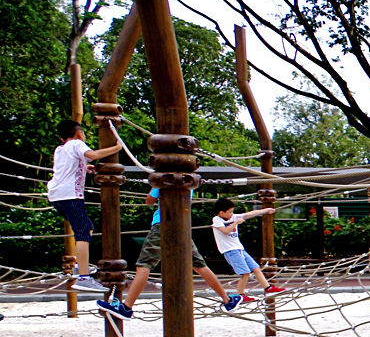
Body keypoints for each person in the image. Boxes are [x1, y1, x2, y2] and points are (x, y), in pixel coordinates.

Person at [96, 186, 240, 318]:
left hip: (162, 224)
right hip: (181, 225)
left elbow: (149, 201)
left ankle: (126, 307)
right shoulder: (188, 179)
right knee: (199, 265)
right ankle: (227, 300)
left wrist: (154, 186)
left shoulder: (162, 178)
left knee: (144, 265)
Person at [47, 119, 121, 293]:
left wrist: (84, 167)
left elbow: (67, 167)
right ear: (79, 133)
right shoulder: (77, 143)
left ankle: (80, 267)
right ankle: (84, 277)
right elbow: (93, 155)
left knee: (86, 228)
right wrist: (117, 148)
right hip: (70, 195)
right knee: (82, 232)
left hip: (56, 196)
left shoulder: (60, 149)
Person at [211, 198, 285, 301]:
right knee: (245, 273)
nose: (232, 214)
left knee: (256, 268)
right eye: (230, 212)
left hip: (240, 249)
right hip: (230, 251)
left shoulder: (233, 217)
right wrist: (235, 223)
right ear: (221, 212)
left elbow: (250, 214)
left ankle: (268, 287)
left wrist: (266, 210)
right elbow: (225, 231)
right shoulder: (217, 220)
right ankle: (241, 295)